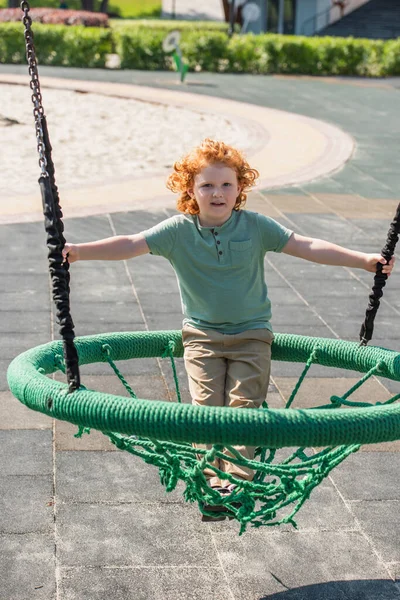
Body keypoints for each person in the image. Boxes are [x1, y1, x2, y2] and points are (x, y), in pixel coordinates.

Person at [63, 139, 394, 511]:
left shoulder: (255, 226)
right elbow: (129, 244)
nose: (217, 193)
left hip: (252, 335)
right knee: (205, 409)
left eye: (226, 185)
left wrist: (362, 260)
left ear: (240, 189)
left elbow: (307, 245)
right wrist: (78, 251)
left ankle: (235, 483)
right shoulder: (177, 231)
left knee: (242, 409)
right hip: (201, 337)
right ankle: (210, 482)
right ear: (190, 189)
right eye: (207, 185)